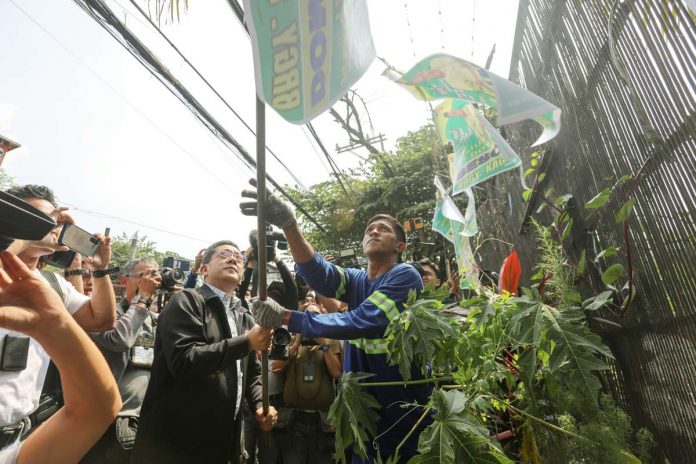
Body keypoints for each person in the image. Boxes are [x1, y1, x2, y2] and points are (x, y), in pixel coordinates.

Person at [241, 184, 432, 463]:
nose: (374, 231)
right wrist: (289, 224)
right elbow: (320, 274)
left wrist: (285, 317)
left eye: (384, 229)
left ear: (400, 247)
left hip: (400, 406)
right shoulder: (356, 279)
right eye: (369, 229)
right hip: (361, 407)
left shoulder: (405, 275)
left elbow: (362, 320)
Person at [131, 240, 278, 464]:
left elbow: (252, 374)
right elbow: (184, 360)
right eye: (224, 254)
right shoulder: (187, 301)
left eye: (238, 257)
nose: (233, 259)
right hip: (176, 444)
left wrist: (260, 404)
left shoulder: (244, 316)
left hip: (222, 441)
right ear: (203, 269)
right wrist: (246, 342)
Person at [0, 251, 121, 463]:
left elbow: (102, 319)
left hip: (21, 437)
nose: (66, 219)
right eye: (54, 215)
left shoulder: (52, 284)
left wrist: (100, 270)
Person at [81, 258, 162, 463]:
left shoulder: (157, 321)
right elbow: (120, 340)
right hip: (104, 421)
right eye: (145, 276)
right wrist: (142, 298)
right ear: (124, 280)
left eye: (156, 275)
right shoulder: (101, 314)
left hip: (141, 422)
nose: (152, 281)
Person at [273, 297, 343, 464]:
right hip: (293, 421)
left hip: (322, 423)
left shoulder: (330, 340)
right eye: (307, 317)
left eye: (316, 316)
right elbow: (275, 368)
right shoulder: (289, 340)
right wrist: (296, 342)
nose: (311, 321)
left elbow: (337, 373)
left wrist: (324, 345)